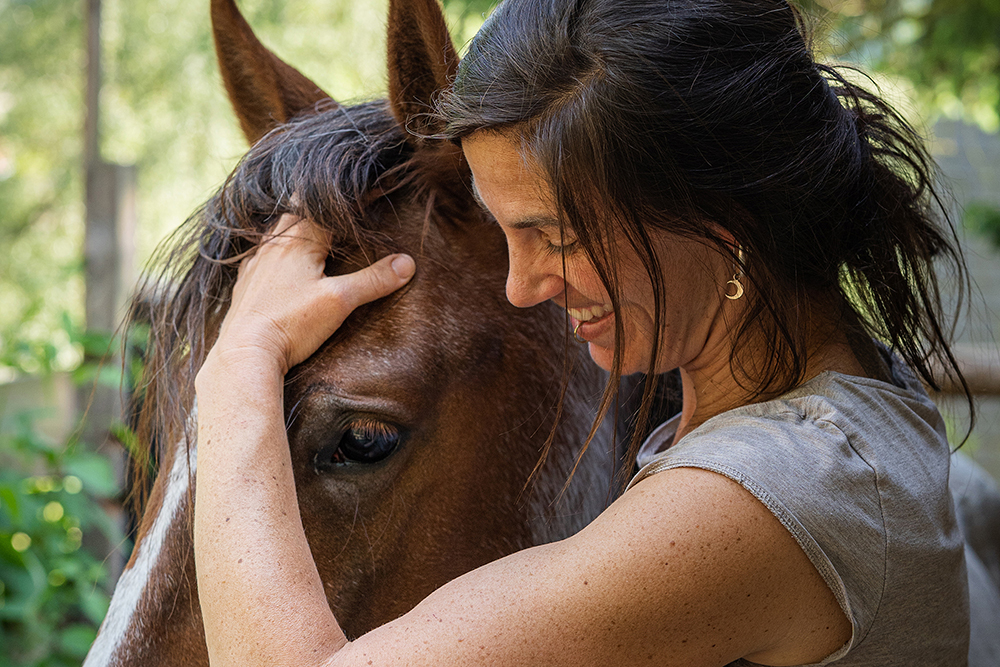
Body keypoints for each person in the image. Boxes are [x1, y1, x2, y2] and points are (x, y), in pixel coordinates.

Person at [193, 0, 973, 665]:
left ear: (722, 217)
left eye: (556, 236)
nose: (521, 285)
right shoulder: (826, 401)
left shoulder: (782, 488)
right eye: (506, 234)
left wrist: (238, 365)